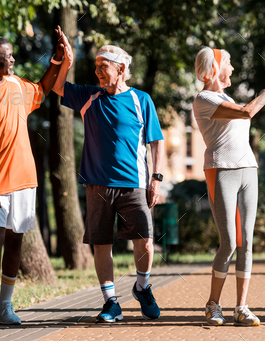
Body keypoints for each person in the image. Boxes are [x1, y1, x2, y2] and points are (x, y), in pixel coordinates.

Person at [0, 27, 73, 329]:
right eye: (8, 57)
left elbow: (43, 88)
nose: (13, 60)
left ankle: (7, 305)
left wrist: (56, 61)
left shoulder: (18, 86)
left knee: (16, 240)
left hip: (25, 178)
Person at [52, 44, 164, 323]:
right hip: (97, 185)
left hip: (134, 183)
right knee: (101, 243)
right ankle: (111, 302)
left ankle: (142, 287)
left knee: (146, 243)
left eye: (104, 66)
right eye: (96, 66)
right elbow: (56, 86)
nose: (98, 71)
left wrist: (156, 178)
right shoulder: (89, 96)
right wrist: (66, 61)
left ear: (121, 69)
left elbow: (156, 141)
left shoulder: (141, 100)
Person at [192, 46, 265, 326]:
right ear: (216, 67)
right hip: (221, 170)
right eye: (229, 63)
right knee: (229, 242)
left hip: (249, 170)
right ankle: (213, 304)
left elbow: (249, 109)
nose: (232, 69)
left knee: (246, 241)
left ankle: (242, 307)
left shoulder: (224, 96)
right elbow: (247, 112)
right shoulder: (204, 99)